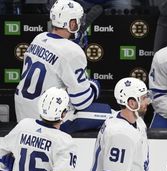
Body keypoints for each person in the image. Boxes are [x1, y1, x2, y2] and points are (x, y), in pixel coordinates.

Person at [14, 0, 111, 134]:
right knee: (114, 115)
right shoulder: (72, 51)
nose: (81, 24)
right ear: (71, 23)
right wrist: (95, 86)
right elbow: (81, 102)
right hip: (47, 120)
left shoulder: (39, 38)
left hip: (23, 116)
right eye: (78, 21)